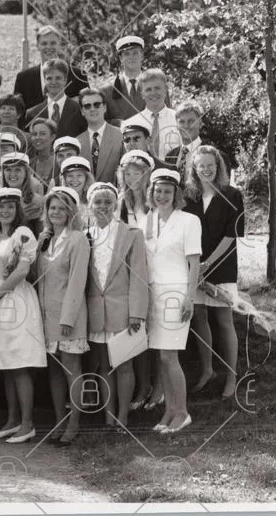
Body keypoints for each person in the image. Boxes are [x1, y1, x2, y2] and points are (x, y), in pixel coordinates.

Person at [0, 187, 45, 443]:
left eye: (10, 206)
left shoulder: (23, 233)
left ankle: (28, 424)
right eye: (1, 206)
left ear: (17, 209)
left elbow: (21, 271)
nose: (5, 210)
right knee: (5, 364)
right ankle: (12, 421)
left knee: (18, 363)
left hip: (15, 299)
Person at [83, 182, 149, 431]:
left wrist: (137, 313)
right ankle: (108, 417)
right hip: (96, 311)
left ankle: (123, 416)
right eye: (97, 202)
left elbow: (139, 276)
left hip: (123, 310)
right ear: (90, 206)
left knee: (124, 365)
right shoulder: (85, 236)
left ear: (115, 205)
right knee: (103, 366)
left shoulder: (132, 234)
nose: (102, 206)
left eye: (108, 202)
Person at [141, 169, 201, 434]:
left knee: (169, 355)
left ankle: (183, 412)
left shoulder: (189, 221)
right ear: (151, 193)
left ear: (176, 194)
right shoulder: (146, 220)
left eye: (167, 191)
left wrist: (190, 298)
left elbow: (194, 262)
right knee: (161, 357)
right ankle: (169, 410)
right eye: (158, 191)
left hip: (176, 294)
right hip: (152, 294)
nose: (162, 196)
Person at [184, 145, 244, 400]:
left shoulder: (232, 194)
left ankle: (231, 377)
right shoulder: (189, 196)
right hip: (194, 267)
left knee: (223, 320)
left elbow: (232, 235)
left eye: (210, 165)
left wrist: (208, 264)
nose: (206, 169)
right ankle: (207, 370)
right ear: (194, 169)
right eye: (201, 166)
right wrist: (196, 266)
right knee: (198, 316)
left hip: (222, 266)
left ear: (218, 166)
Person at [33, 187, 90, 446]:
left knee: (71, 370)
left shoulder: (77, 239)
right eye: (52, 208)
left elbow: (78, 281)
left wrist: (68, 318)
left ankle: (74, 423)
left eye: (61, 208)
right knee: (54, 372)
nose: (56, 212)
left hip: (69, 316)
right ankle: (59, 421)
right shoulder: (44, 239)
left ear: (70, 212)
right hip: (46, 315)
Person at [114, 148, 156, 410]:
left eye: (137, 173)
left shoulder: (155, 201)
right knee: (138, 332)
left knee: (157, 333)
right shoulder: (121, 203)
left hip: (156, 269)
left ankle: (158, 387)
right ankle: (143, 386)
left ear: (146, 174)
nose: (133, 178)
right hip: (131, 272)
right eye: (128, 174)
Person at [99, 36, 171, 123]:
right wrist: (119, 124)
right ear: (121, 58)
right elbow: (100, 123)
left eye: (135, 53)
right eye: (127, 54)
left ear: (142, 55)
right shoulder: (107, 90)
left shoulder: (158, 86)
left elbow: (168, 117)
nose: (131, 57)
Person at [14, 25, 88, 110]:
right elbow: (17, 111)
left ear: (59, 45)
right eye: (44, 43)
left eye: (53, 43)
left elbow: (88, 106)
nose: (48, 47)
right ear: (37, 46)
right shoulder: (23, 78)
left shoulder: (78, 75)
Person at [122, 69, 179, 159]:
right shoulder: (129, 124)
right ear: (142, 94)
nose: (153, 93)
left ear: (165, 90)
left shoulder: (179, 121)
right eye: (148, 89)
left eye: (157, 88)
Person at [25, 59, 87, 138]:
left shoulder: (80, 110)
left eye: (58, 78)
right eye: (49, 78)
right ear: (44, 80)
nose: (53, 82)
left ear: (65, 80)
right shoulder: (32, 113)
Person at [76, 87, 123, 184]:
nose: (92, 109)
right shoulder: (76, 142)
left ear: (105, 107)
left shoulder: (121, 136)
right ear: (82, 111)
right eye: (87, 106)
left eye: (97, 105)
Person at [0, 153, 43, 236]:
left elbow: (39, 234)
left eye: (17, 170)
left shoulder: (36, 202)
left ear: (26, 173)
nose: (12, 174)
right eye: (8, 170)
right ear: (3, 173)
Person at [164, 100, 205, 181]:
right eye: (181, 122)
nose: (186, 126)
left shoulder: (215, 155)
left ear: (200, 123)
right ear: (176, 125)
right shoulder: (170, 156)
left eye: (191, 121)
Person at [27, 118, 57, 187]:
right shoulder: (28, 164)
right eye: (34, 134)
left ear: (52, 137)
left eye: (42, 134)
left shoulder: (59, 163)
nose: (37, 137)